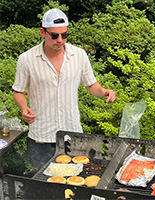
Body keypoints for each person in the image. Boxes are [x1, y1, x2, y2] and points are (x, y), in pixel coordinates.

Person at [12, 8, 116, 169]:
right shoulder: (26, 59)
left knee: (74, 184)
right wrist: (24, 107)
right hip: (41, 136)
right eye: (54, 35)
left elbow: (91, 84)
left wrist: (103, 92)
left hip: (72, 133)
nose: (60, 40)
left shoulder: (79, 55)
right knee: (46, 188)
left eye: (64, 35)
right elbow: (18, 91)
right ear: (42, 32)